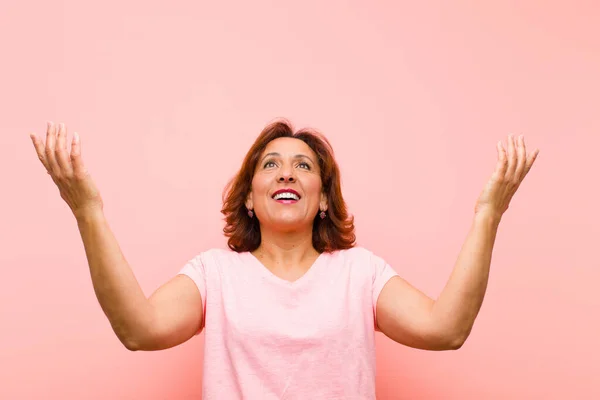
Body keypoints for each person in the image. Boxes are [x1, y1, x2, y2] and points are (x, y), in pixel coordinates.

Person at [30, 119, 539, 399]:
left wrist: (487, 214)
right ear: (249, 197)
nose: (286, 173)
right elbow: (138, 329)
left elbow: (446, 330)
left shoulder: (360, 273)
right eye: (270, 164)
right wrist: (88, 212)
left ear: (322, 198)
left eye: (303, 165)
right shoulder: (215, 273)